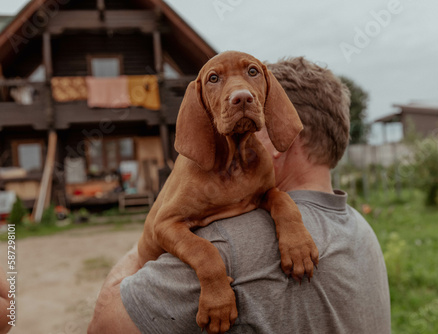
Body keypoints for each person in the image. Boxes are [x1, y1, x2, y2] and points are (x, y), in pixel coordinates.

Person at [88, 57, 391, 334]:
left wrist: (134, 257)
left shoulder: (226, 247)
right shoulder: (362, 231)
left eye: (255, 131)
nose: (243, 145)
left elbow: (103, 326)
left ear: (281, 135)